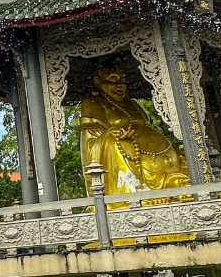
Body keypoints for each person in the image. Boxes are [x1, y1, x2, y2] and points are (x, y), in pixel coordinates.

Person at [80, 67, 191, 197]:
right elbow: (90, 140)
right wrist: (110, 134)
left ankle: (172, 181)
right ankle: (135, 191)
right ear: (98, 82)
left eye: (123, 80)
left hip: (160, 158)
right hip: (131, 158)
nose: (120, 85)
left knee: (187, 152)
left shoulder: (132, 104)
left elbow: (150, 128)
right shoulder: (93, 102)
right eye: (113, 80)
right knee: (112, 143)